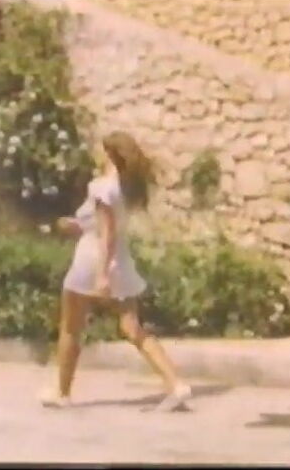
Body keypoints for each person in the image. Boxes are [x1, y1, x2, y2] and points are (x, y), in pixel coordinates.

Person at [39, 131, 191, 411]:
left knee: (71, 327)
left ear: (109, 155)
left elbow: (105, 232)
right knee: (132, 327)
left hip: (92, 259)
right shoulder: (126, 188)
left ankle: (62, 391)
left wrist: (101, 274)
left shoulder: (102, 187)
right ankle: (175, 384)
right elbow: (104, 225)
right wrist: (76, 224)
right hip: (120, 259)